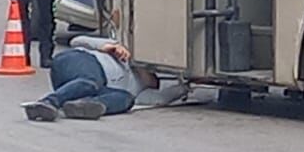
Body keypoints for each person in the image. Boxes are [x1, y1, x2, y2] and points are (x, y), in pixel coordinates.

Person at [24, 37, 186, 121]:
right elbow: (76, 41)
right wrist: (106, 46)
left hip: (89, 87)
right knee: (90, 81)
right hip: (78, 61)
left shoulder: (142, 92)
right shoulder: (122, 54)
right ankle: (48, 102)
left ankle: (83, 105)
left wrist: (188, 86)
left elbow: (165, 97)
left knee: (125, 99)